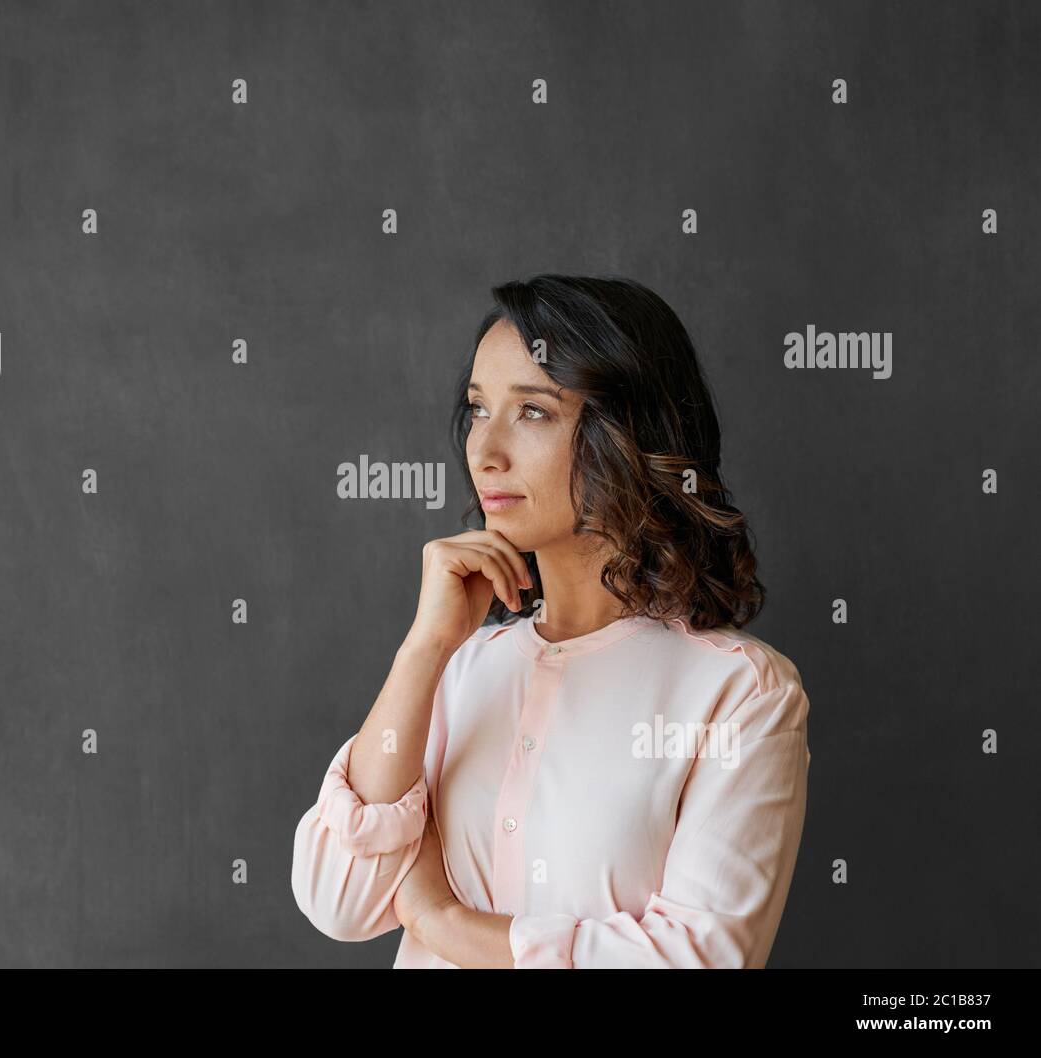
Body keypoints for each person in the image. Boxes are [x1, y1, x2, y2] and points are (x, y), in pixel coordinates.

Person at [291, 274, 811, 968]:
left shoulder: (741, 694)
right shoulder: (459, 666)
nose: (485, 451)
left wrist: (439, 920)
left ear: (626, 433)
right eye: (477, 410)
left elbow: (696, 960)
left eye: (532, 412)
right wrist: (425, 649)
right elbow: (339, 899)